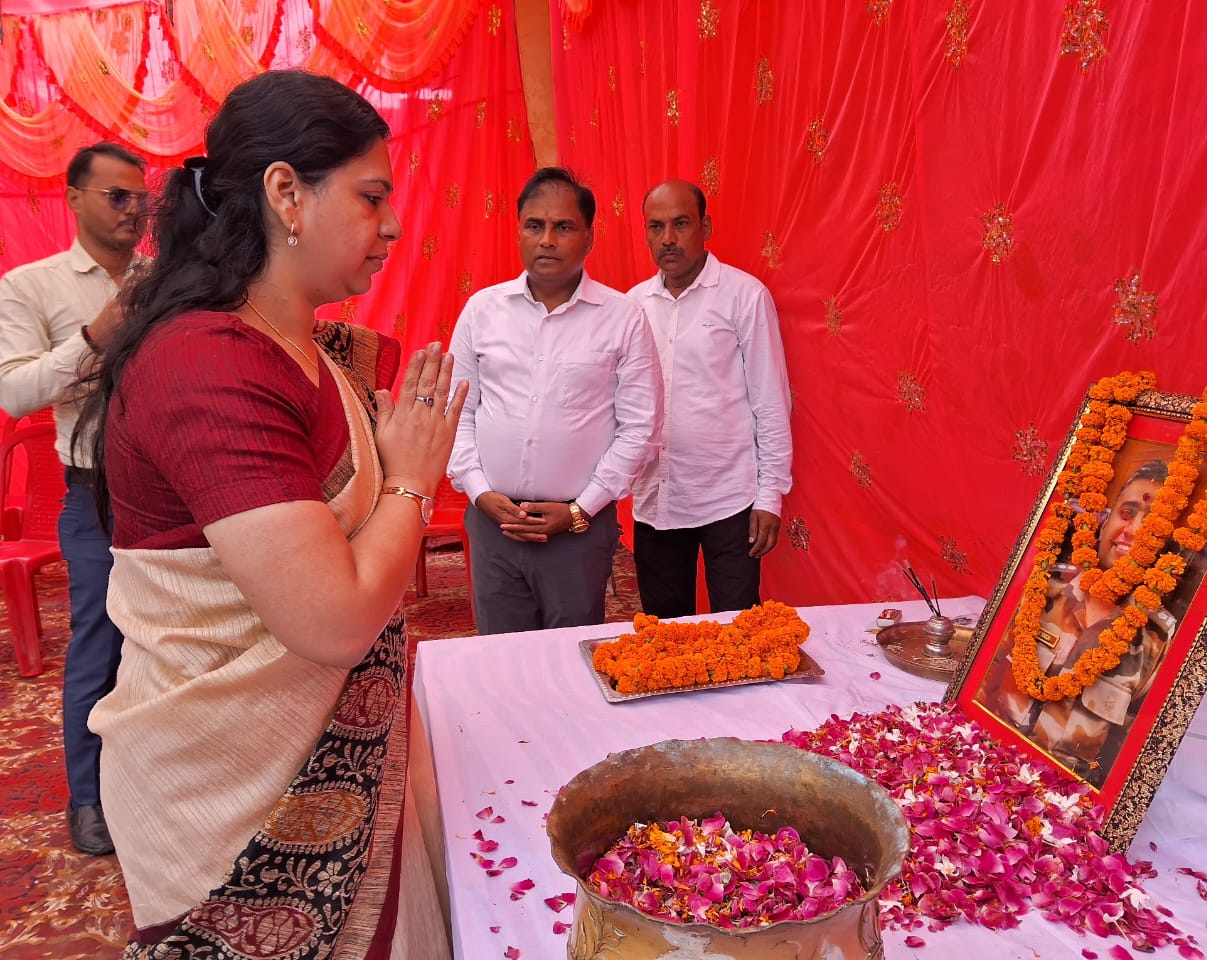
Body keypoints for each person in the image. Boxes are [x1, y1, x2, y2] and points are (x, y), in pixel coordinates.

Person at [75, 71, 465, 956]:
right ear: (286, 192)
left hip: (324, 761)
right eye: (371, 198)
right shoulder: (205, 365)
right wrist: (410, 481)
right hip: (229, 800)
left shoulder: (311, 351)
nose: (394, 226)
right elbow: (331, 621)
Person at [0, 141, 147, 855]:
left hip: (177, 497)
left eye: (140, 197)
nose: (133, 210)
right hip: (95, 500)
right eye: (116, 197)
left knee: (179, 641)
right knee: (101, 643)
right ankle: (88, 799)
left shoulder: (170, 278)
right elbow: (15, 390)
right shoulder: (32, 286)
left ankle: (163, 784)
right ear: (74, 199)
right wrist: (95, 336)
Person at [447, 166, 662, 635]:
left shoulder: (622, 318)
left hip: (578, 530)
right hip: (493, 524)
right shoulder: (482, 311)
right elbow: (458, 411)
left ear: (588, 238)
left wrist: (582, 509)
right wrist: (479, 491)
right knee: (500, 660)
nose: (547, 239)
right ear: (519, 232)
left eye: (563, 227)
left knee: (570, 664)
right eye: (535, 225)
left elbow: (640, 427)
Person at [626, 179, 793, 618]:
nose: (668, 239)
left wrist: (770, 496)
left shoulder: (745, 296)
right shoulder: (631, 306)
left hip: (730, 498)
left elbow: (771, 402)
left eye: (680, 224)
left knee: (738, 632)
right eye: (656, 227)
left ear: (706, 226)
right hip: (656, 497)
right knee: (663, 635)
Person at [981, 459, 1175, 785]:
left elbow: (1124, 755)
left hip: (1058, 803)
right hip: (982, 759)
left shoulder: (1155, 643)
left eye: (1153, 527)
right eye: (1126, 514)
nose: (1133, 531)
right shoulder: (1041, 589)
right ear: (1103, 522)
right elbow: (983, 684)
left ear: (1164, 549)